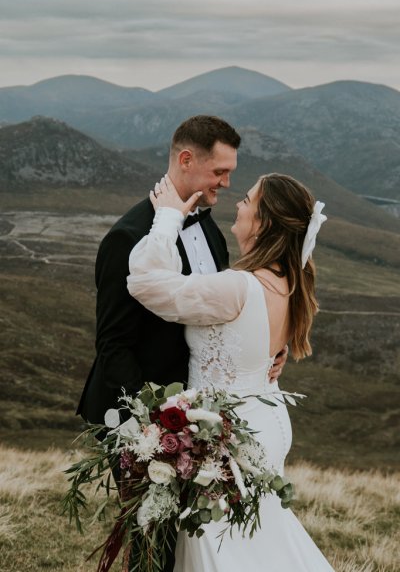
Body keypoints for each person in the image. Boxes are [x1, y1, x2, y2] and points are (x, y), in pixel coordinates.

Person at [76, 115, 287, 571]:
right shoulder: (127, 237)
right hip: (145, 418)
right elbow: (113, 345)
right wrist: (154, 425)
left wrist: (267, 348)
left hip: (198, 419)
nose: (228, 183)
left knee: (195, 541)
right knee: (154, 544)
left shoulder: (210, 230)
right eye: (220, 172)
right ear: (186, 160)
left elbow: (224, 311)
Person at [126, 173, 333, 571]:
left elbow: (147, 284)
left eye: (248, 200)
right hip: (265, 423)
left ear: (264, 220)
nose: (238, 204)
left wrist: (167, 218)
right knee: (260, 539)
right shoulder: (290, 280)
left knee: (220, 547)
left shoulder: (239, 286)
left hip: (227, 436)